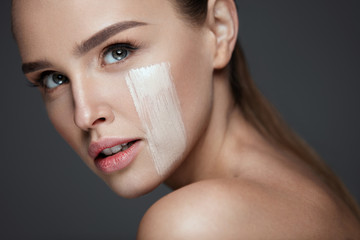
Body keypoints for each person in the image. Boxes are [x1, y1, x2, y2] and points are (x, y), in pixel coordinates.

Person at [11, 0, 360, 238]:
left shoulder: (195, 225)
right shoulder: (298, 188)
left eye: (118, 52)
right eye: (53, 79)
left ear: (219, 30)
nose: (84, 115)